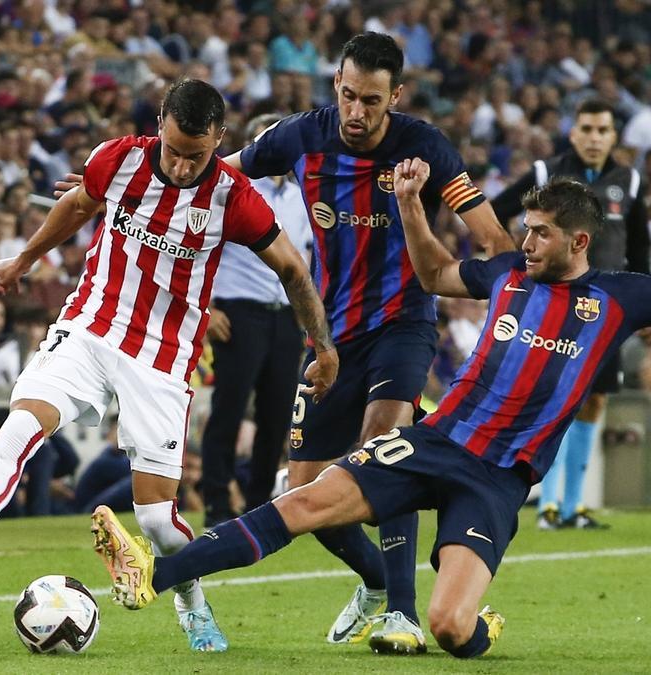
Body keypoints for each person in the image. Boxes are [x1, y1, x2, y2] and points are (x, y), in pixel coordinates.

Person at [91, 165, 651, 659]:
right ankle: (151, 576)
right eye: (521, 230)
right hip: (434, 442)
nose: (520, 240)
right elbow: (432, 273)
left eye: (535, 232)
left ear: (576, 238)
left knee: (451, 628)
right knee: (302, 502)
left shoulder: (622, 297)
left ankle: (476, 626)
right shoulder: (503, 274)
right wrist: (407, 205)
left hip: (496, 482)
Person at [55, 32, 515, 653]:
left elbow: (492, 239)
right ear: (336, 86)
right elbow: (210, 183)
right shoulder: (300, 136)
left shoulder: (424, 147)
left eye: (372, 101)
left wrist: (519, 304)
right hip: (331, 332)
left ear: (396, 96)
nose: (357, 112)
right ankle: (378, 583)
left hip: (403, 323)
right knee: (303, 490)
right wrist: (111, 191)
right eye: (349, 95)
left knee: (385, 445)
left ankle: (402, 615)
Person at [0, 79, 337, 655]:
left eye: (198, 154)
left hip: (161, 361)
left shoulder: (233, 196)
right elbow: (76, 205)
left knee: (158, 521)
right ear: (160, 122)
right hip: (89, 327)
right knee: (19, 428)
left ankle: (192, 604)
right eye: (175, 149)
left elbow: (292, 268)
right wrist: (25, 259)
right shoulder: (119, 159)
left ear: (220, 138)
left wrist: (322, 344)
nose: (184, 166)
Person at [492, 98, 650, 531]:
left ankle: (572, 506)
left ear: (614, 136)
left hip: (607, 310)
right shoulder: (547, 175)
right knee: (553, 398)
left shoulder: (630, 181)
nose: (595, 138)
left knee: (594, 400)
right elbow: (496, 211)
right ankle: (546, 500)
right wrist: (512, 266)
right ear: (573, 132)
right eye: (587, 129)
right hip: (554, 305)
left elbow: (640, 249)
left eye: (603, 130)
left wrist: (646, 307)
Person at [199, 113, 313, 526]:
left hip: (286, 316)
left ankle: (259, 507)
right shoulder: (231, 190)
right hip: (238, 312)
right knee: (228, 409)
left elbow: (308, 261)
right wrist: (205, 306)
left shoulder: (303, 197)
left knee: (277, 414)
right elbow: (198, 247)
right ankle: (215, 503)